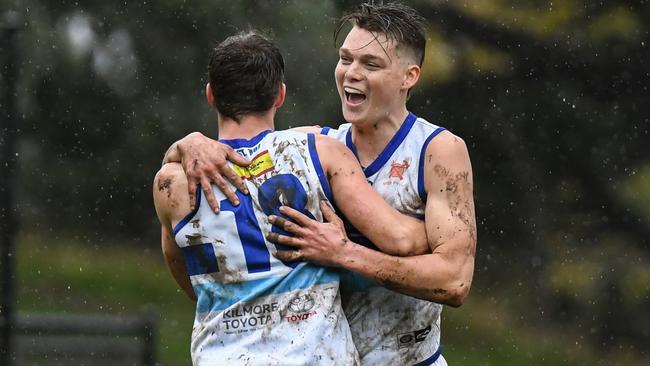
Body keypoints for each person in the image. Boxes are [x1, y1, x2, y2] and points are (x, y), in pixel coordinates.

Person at [163, 3, 476, 365]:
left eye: (370, 64)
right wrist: (188, 144)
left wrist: (345, 254)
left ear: (409, 76)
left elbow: (454, 282)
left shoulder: (438, 151)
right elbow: (240, 145)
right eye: (345, 59)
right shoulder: (314, 147)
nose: (350, 73)